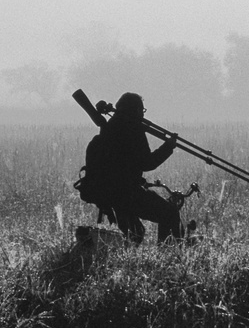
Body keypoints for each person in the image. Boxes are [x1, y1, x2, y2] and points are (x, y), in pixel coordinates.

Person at [75, 91, 187, 243]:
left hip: (109, 193)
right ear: (136, 111)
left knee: (135, 233)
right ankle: (168, 257)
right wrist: (168, 147)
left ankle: (123, 261)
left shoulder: (109, 128)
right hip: (127, 193)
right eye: (141, 110)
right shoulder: (133, 131)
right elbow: (148, 163)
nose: (142, 114)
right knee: (169, 213)